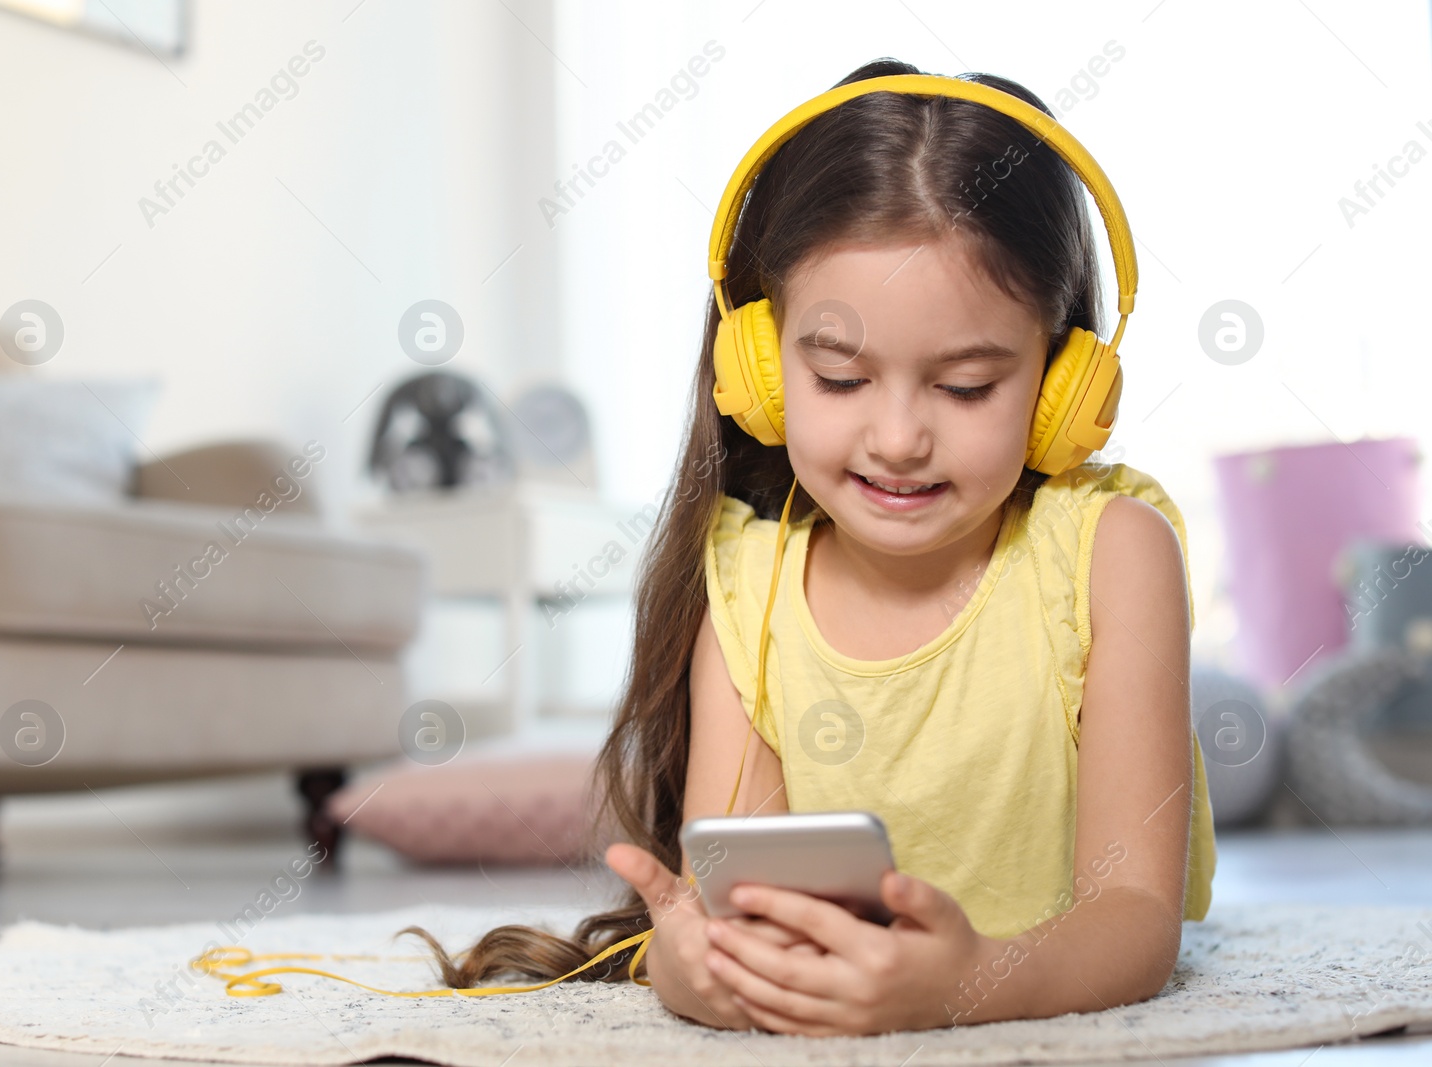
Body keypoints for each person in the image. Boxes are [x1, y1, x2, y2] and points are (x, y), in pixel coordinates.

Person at [397, 56, 1216, 1036]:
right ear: (760, 371)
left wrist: (966, 981)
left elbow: (1133, 920)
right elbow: (728, 907)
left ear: (1058, 389)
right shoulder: (750, 587)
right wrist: (692, 965)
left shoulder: (1111, 553)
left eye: (964, 387)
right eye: (838, 378)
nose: (899, 437)